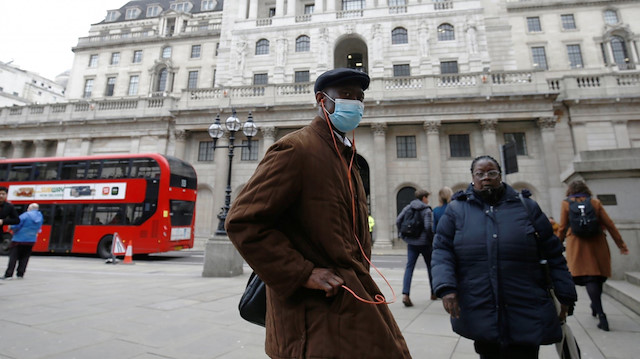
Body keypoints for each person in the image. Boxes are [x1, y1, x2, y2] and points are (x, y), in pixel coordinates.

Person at [226, 68, 411, 358]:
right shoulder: (295, 149)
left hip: (348, 296)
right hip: (313, 311)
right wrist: (302, 273)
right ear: (323, 101)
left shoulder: (345, 156)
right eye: (347, 96)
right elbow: (243, 221)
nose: (356, 103)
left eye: (360, 97)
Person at [431, 155, 577, 359]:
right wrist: (446, 287)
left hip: (525, 305)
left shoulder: (527, 207)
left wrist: (566, 294)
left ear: (500, 176)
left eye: (492, 173)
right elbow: (441, 250)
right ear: (472, 178)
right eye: (480, 174)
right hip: (481, 305)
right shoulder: (457, 210)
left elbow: (553, 253)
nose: (486, 178)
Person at [558, 180, 629, 332]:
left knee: (588, 277)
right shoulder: (595, 203)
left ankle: (599, 311)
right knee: (597, 276)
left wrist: (556, 246)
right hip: (597, 243)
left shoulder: (566, 204)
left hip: (577, 244)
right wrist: (621, 245)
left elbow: (562, 227)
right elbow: (609, 224)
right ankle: (597, 308)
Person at [396, 189, 435, 305]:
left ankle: (405, 294)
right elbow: (428, 227)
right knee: (430, 267)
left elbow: (398, 220)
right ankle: (433, 292)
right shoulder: (427, 210)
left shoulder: (408, 207)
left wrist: (402, 235)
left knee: (409, 268)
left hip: (411, 243)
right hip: (425, 243)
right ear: (423, 198)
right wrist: (431, 240)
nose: (428, 200)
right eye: (427, 197)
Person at [2, 203, 42, 279]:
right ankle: (20, 274)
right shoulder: (40, 216)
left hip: (19, 239)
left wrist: (11, 228)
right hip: (31, 240)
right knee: (25, 257)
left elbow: (16, 224)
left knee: (13, 257)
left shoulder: (25, 215)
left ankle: (9, 274)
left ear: (29, 208)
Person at [0, 186, 20, 250]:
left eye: (3, 194)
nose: (1, 196)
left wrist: (3, 221)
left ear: (6, 195)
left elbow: (17, 220)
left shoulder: (9, 206)